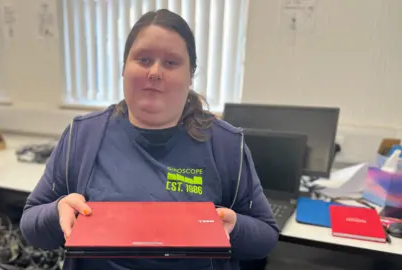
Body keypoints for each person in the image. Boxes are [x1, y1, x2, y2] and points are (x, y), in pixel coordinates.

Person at [20, 9, 279, 270]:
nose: (155, 72)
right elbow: (31, 224)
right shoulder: (82, 136)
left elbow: (266, 235)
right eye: (143, 59)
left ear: (190, 76)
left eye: (171, 63)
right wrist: (58, 212)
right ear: (124, 68)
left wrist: (234, 227)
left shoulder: (226, 144)